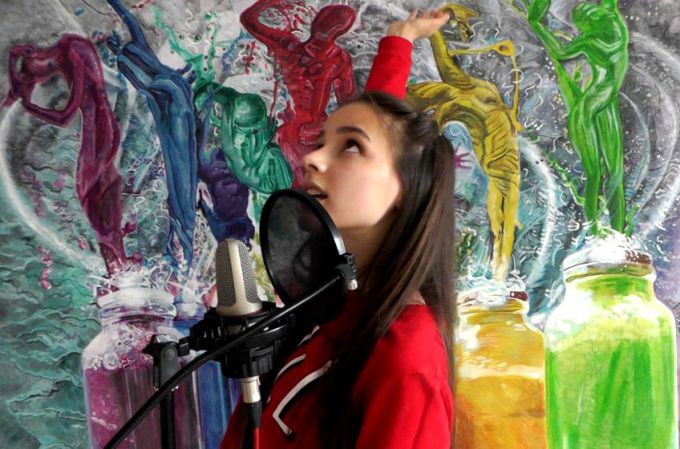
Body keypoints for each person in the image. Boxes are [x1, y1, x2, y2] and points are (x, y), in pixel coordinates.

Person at [222, 8, 455, 449]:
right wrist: (399, 39)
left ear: (407, 187)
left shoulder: (405, 359)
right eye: (321, 142)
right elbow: (380, 136)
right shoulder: (329, 307)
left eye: (348, 147)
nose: (312, 158)